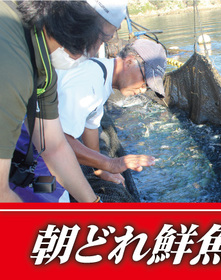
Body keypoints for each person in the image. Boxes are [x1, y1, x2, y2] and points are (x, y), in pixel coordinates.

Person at [0, 0, 127, 202]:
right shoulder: (13, 68)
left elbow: (55, 145)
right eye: (102, 40)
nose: (95, 53)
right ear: (79, 27)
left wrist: (95, 204)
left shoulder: (45, 67)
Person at [57, 38, 165, 188]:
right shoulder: (88, 83)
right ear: (129, 62)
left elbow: (91, 126)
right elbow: (58, 142)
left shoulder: (100, 76)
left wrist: (101, 169)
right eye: (145, 82)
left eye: (148, 88)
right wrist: (111, 163)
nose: (142, 90)